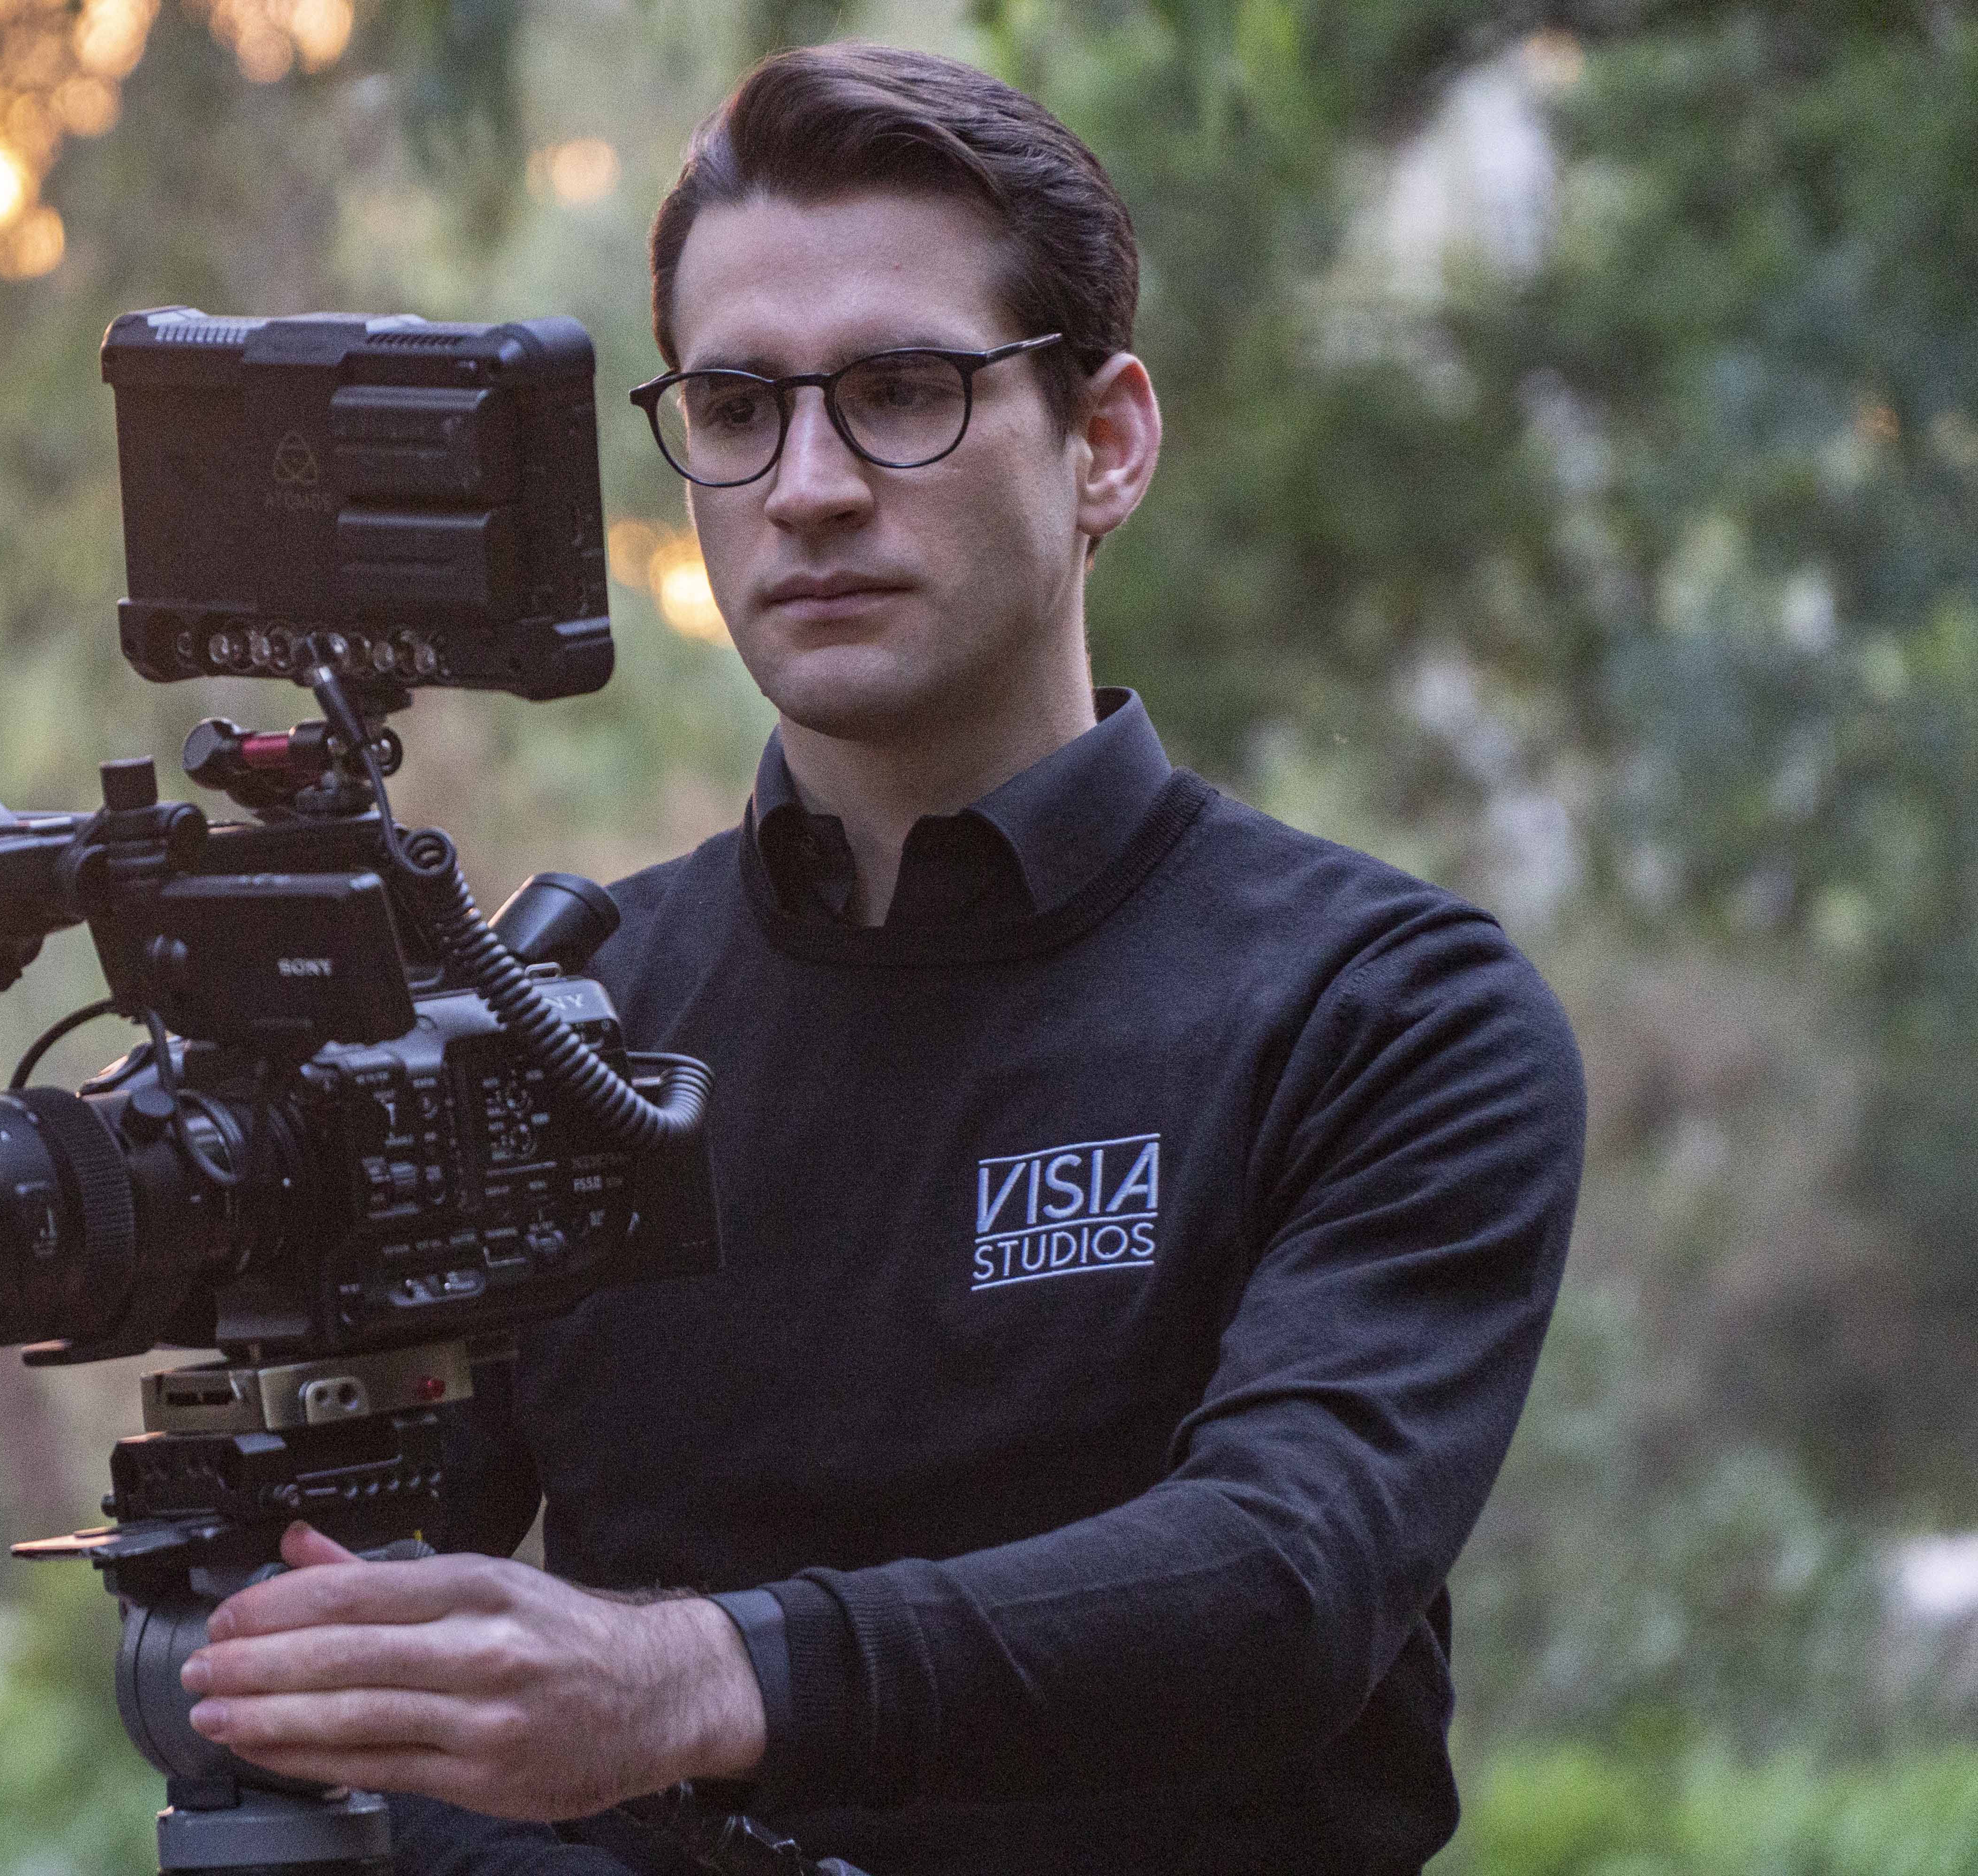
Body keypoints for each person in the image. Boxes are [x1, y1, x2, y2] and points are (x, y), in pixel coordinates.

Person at [171, 41, 1585, 1875]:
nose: (812, 485)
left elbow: (1282, 1578)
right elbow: (356, 1667)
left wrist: (694, 1680)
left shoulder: (1384, 1011)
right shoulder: (555, 1027)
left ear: (1106, 443)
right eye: (738, 408)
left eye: (903, 390)